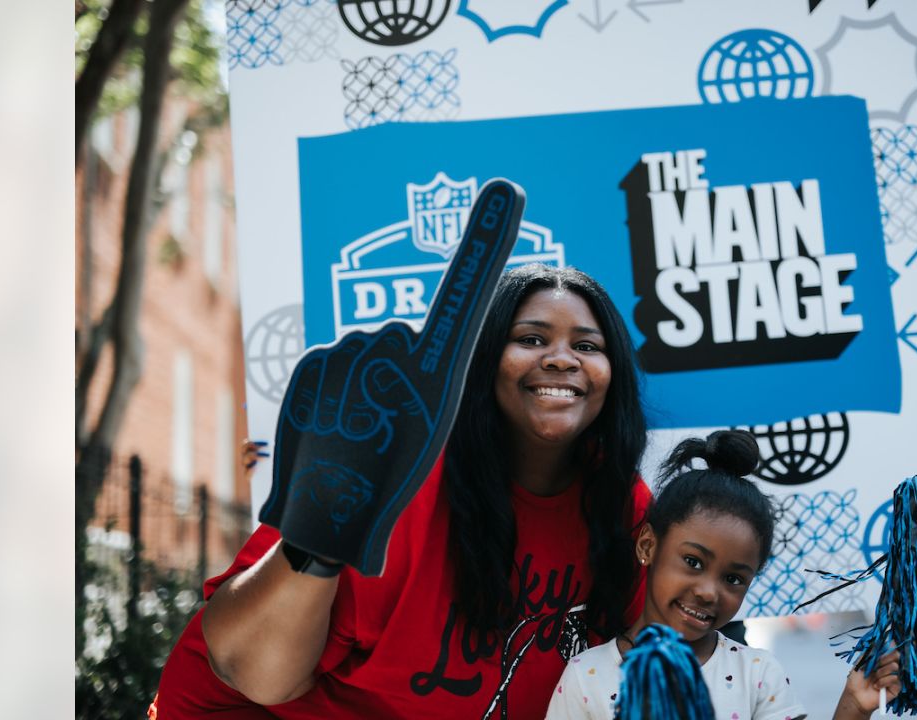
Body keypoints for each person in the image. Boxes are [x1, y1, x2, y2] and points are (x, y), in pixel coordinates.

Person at [151, 264, 652, 719]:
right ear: (480, 360)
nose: (562, 359)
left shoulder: (621, 503)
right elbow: (254, 675)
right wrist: (321, 538)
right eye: (531, 338)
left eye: (587, 346)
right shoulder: (404, 483)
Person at [545, 430, 900, 720]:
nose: (708, 592)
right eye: (693, 562)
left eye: (733, 579)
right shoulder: (586, 677)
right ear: (648, 545)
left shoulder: (757, 674)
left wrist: (854, 706)